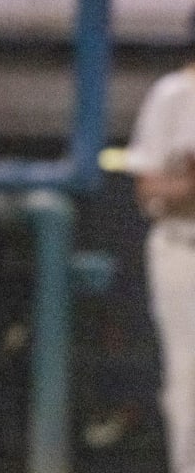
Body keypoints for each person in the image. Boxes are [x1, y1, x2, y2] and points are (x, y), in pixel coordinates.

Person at [126, 58, 195, 473]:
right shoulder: (174, 95)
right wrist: (186, 185)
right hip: (183, 246)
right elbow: (148, 188)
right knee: (188, 380)